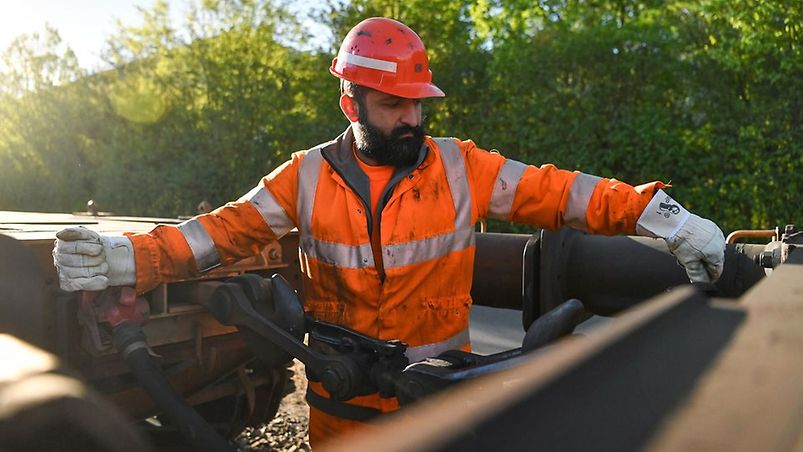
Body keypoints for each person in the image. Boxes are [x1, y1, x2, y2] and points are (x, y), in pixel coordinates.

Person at [53, 17, 725, 447]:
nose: (410, 117)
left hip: (436, 400)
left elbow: (563, 193)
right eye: (391, 103)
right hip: (339, 406)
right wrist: (126, 258)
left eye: (416, 102)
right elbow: (219, 235)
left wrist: (662, 218)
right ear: (352, 104)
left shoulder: (462, 167)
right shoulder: (304, 177)